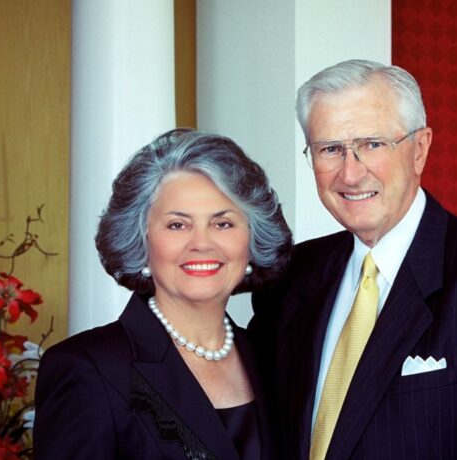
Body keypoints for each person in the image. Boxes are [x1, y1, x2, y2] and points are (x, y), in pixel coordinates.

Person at [250, 60, 457, 459]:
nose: (350, 174)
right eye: (330, 149)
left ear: (420, 149)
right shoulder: (293, 275)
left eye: (372, 144)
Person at [35, 129, 292, 459]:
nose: (202, 243)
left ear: (252, 240)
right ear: (141, 241)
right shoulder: (87, 369)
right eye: (177, 225)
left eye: (223, 224)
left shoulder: (274, 358)